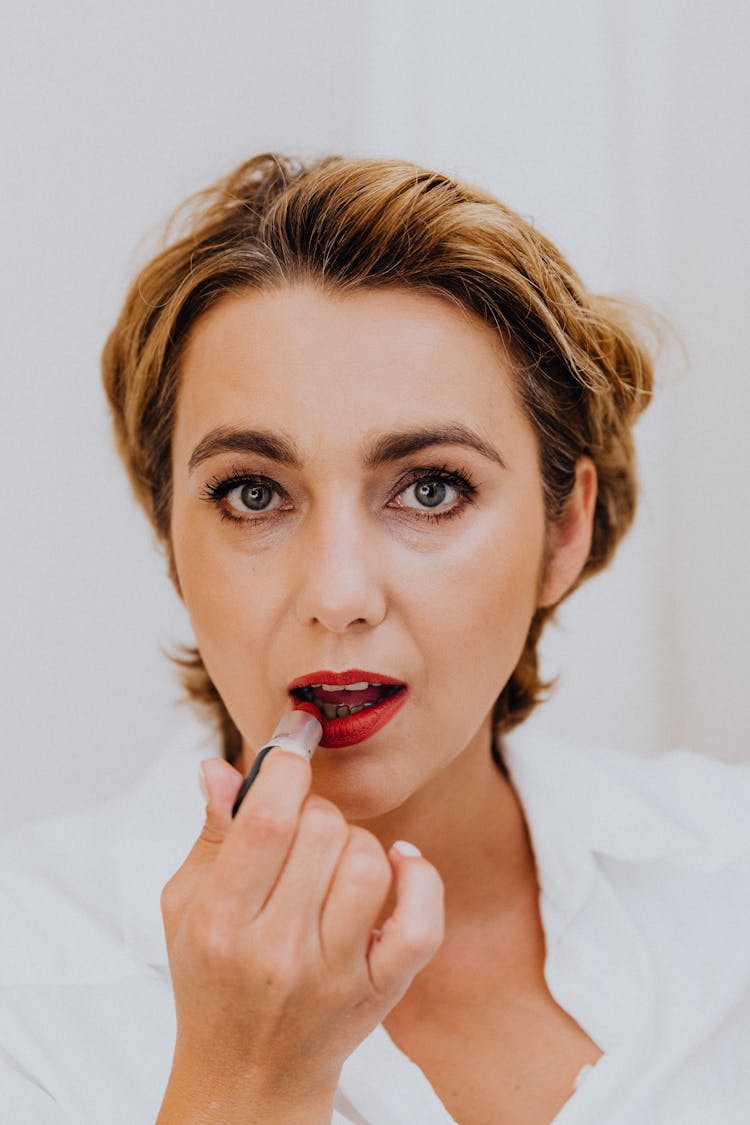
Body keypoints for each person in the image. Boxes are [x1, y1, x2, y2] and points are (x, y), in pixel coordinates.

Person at [1, 153, 749, 1125]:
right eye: (252, 494)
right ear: (169, 542)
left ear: (565, 529)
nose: (339, 595)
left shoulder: (730, 881)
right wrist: (244, 1083)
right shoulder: (27, 978)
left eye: (431, 490)